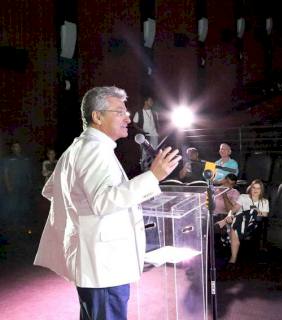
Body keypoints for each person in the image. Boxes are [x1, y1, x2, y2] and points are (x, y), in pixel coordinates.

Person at [34, 86, 181, 320]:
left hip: (97, 260)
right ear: (98, 116)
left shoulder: (82, 147)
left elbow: (55, 190)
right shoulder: (93, 150)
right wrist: (153, 177)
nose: (128, 117)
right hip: (103, 264)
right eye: (120, 111)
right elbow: (103, 201)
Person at [226, 179, 269, 265]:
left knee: (252, 212)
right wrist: (229, 214)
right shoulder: (243, 197)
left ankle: (231, 234)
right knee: (238, 216)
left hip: (252, 223)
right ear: (250, 188)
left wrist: (256, 211)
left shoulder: (264, 201)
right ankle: (233, 257)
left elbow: (265, 214)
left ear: (261, 190)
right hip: (238, 221)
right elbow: (234, 209)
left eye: (258, 188)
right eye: (254, 188)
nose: (255, 190)